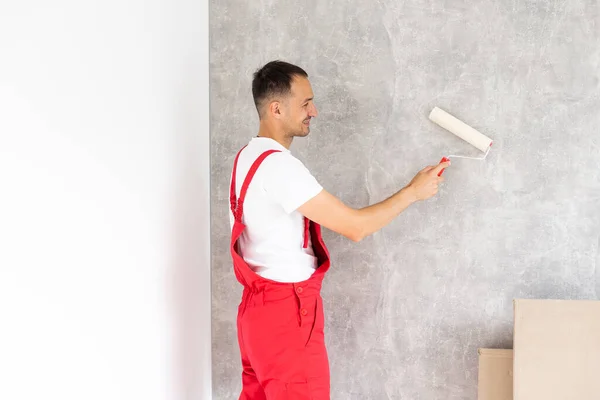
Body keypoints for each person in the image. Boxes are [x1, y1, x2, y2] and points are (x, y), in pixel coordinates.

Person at [228, 60, 450, 400]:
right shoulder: (278, 167)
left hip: (256, 316)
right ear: (276, 108)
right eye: (305, 103)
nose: (313, 111)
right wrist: (412, 192)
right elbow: (355, 227)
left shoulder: (247, 157)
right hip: (287, 314)